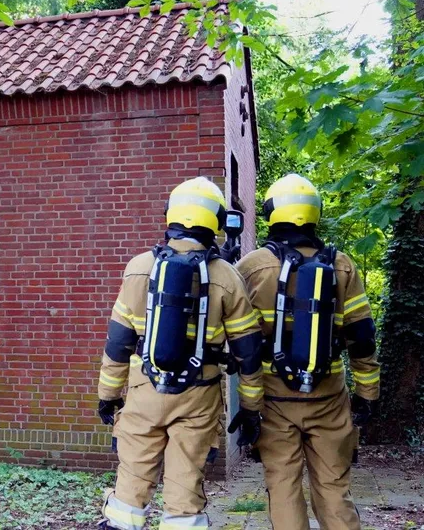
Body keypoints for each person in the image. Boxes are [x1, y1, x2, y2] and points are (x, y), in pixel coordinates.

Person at [98, 176, 264, 530]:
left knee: (131, 482)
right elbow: (248, 353)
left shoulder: (138, 267)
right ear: (216, 221)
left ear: (170, 215)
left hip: (144, 390)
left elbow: (117, 344)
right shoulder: (228, 277)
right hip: (199, 395)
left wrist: (108, 396)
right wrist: (251, 408)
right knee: (185, 486)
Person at [235, 174, 380, 530]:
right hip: (328, 397)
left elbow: (236, 337)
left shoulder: (251, 267)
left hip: (273, 398)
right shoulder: (342, 265)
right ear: (314, 214)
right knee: (334, 488)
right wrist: (367, 393)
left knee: (282, 486)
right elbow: (361, 337)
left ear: (272, 213)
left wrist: (249, 406)